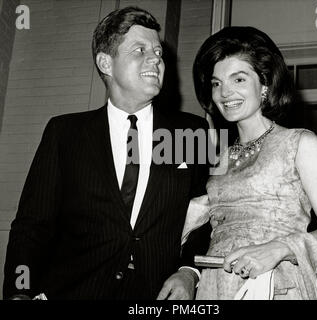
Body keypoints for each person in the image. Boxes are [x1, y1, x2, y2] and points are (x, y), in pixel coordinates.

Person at [3, 6, 210, 300]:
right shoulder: (64, 133)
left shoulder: (194, 132)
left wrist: (190, 271)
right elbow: (31, 226)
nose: (155, 59)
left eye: (158, 52)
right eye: (139, 50)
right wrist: (19, 293)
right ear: (106, 63)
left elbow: (213, 216)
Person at [160, 26, 317, 300]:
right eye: (216, 83)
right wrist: (187, 271)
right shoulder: (217, 158)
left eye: (238, 79)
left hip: (277, 285)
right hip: (214, 287)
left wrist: (280, 248)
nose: (225, 92)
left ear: (265, 85)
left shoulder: (299, 144)